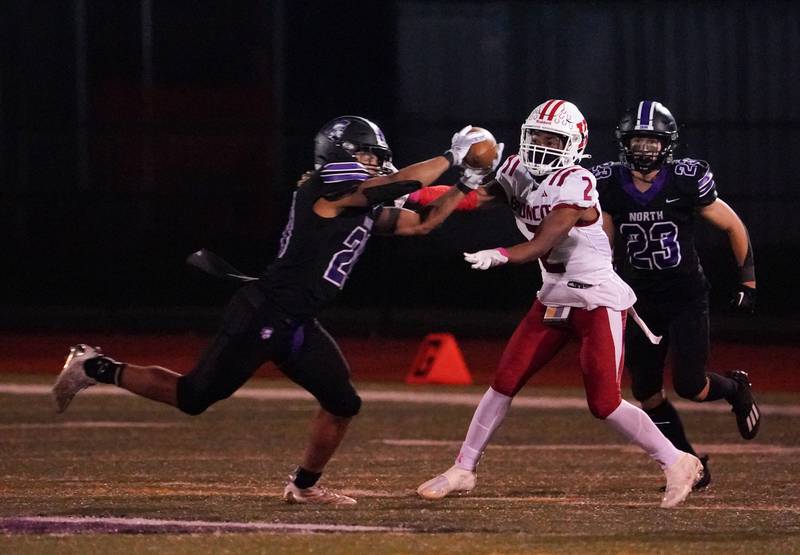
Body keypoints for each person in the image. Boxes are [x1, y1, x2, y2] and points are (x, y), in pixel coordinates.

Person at [52, 115, 493, 506]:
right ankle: (94, 367)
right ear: (340, 155)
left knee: (342, 402)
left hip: (297, 321)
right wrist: (451, 156)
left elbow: (424, 222)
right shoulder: (326, 188)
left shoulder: (358, 204)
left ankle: (303, 486)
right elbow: (392, 186)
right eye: (367, 155)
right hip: (264, 313)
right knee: (193, 397)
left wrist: (465, 185)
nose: (376, 164)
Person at [416, 99, 703, 509]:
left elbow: (543, 242)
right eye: (537, 137)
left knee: (604, 403)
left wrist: (500, 253)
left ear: (573, 144)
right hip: (553, 295)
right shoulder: (516, 170)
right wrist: (407, 195)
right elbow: (470, 199)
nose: (542, 146)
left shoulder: (577, 181)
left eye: (554, 139)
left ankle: (677, 461)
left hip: (595, 298)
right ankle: (464, 468)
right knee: (504, 380)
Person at [591, 100, 761, 489]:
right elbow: (603, 240)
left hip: (685, 295)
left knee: (691, 385)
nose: (645, 149)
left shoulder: (687, 178)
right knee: (646, 392)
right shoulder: (609, 182)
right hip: (638, 299)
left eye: (653, 141)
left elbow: (734, 226)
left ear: (667, 144)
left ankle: (735, 388)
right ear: (624, 142)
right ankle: (689, 464)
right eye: (638, 140)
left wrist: (748, 283)